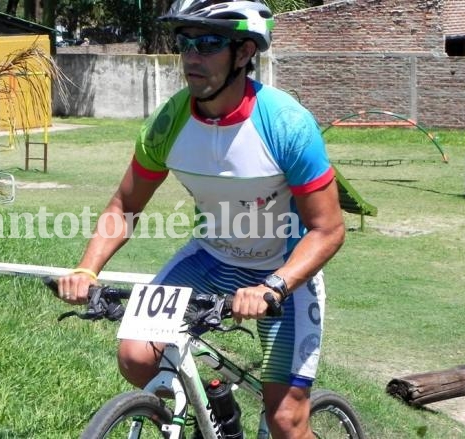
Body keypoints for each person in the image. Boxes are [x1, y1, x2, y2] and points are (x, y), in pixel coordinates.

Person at [57, 0, 345, 437]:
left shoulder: (286, 124)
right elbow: (124, 206)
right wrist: (86, 267)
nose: (192, 56)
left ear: (245, 53)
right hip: (210, 258)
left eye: (209, 44)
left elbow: (329, 229)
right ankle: (216, 407)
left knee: (285, 418)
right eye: (185, 42)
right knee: (136, 356)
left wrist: (274, 286)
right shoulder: (169, 121)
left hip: (282, 271)